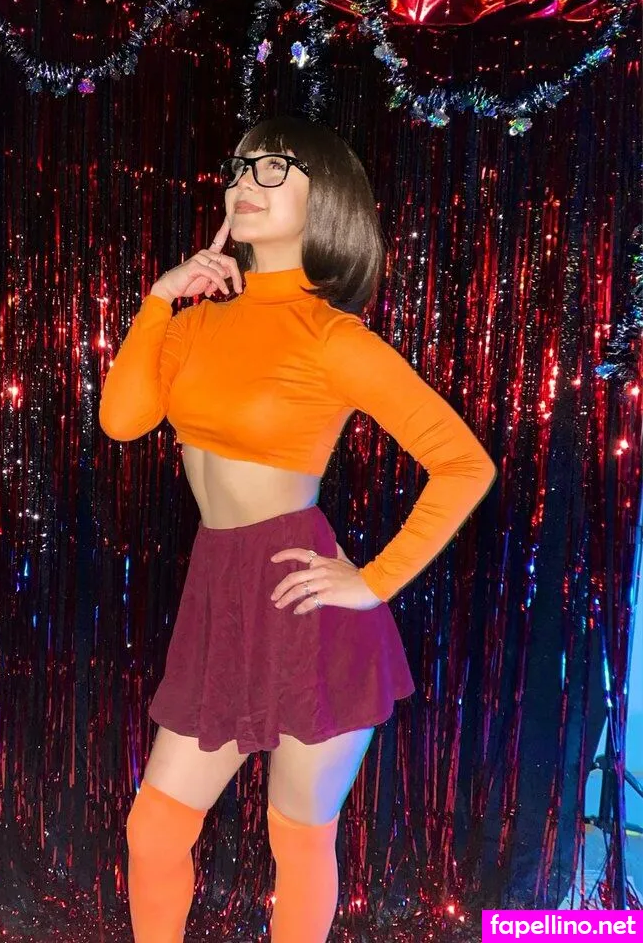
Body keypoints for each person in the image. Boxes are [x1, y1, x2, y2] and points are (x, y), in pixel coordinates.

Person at [98, 114, 497, 942]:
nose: (244, 183)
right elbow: (123, 420)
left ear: (328, 200)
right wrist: (160, 300)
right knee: (155, 828)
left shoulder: (332, 337)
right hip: (219, 593)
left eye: (272, 169)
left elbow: (464, 463)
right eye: (239, 168)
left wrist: (372, 581)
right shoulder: (195, 322)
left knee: (298, 835)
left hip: (303, 602)